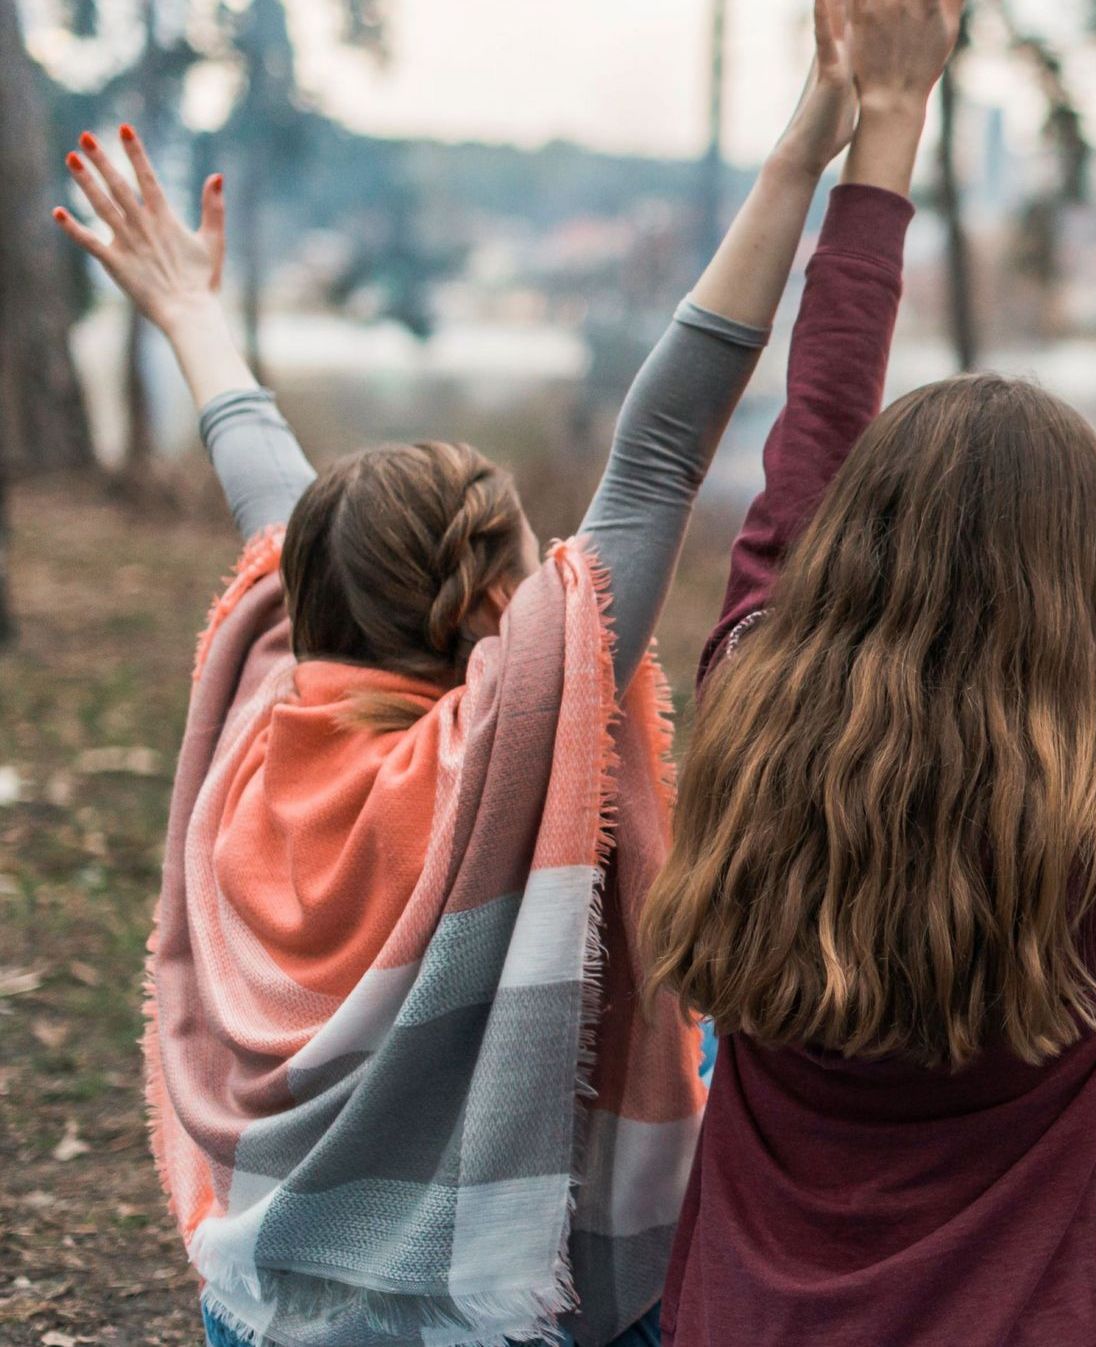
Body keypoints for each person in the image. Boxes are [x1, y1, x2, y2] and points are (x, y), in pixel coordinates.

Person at [51, 10, 865, 1341]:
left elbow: (270, 493)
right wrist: (805, 150)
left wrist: (190, 311)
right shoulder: (503, 749)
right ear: (502, 610)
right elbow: (661, 445)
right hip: (495, 1306)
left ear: (294, 597)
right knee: (702, 1056)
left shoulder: (262, 709)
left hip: (266, 1305)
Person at [638, 0, 1096, 1343]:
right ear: (1072, 587)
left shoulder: (743, 703)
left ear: (848, 546)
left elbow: (810, 438)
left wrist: (891, 119)